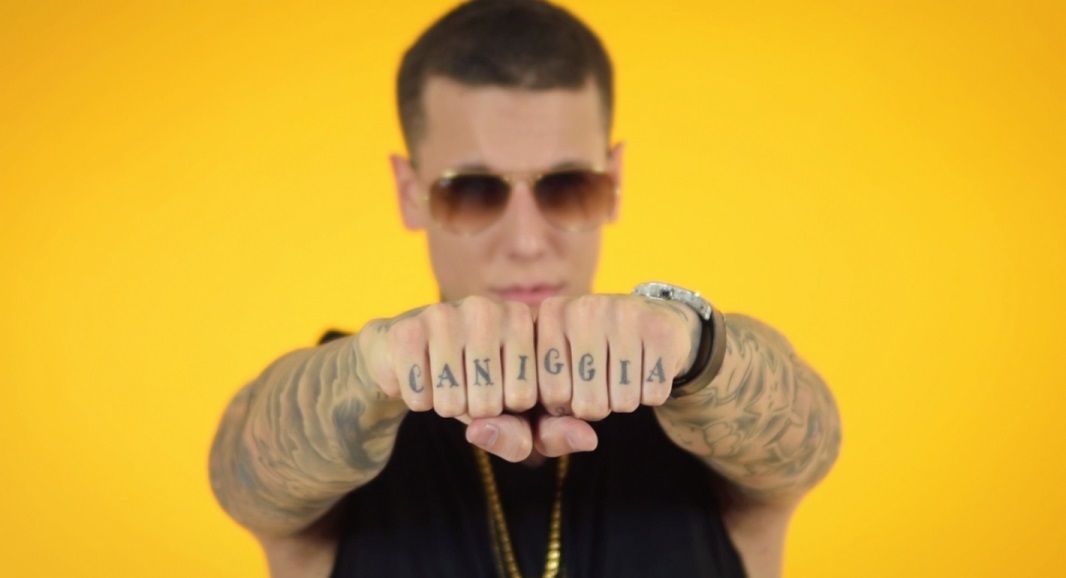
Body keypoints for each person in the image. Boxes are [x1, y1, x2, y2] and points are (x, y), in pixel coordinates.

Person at [208, 1, 842, 577]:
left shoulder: (694, 401)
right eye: (472, 191)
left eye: (567, 186)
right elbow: (241, 475)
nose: (527, 241)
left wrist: (696, 346)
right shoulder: (359, 398)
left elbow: (809, 439)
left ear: (615, 182)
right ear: (410, 192)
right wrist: (379, 365)